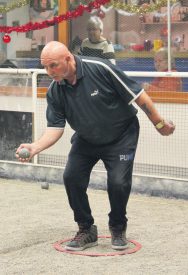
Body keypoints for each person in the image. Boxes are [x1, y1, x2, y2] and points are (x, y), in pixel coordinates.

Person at [16, 41, 175, 252]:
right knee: (71, 177)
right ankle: (86, 229)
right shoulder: (55, 90)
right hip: (86, 138)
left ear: (68, 59)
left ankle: (118, 227)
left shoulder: (99, 68)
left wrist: (159, 123)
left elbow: (137, 95)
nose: (48, 71)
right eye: (45, 67)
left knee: (118, 183)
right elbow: (55, 127)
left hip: (121, 136)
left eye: (53, 65)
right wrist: (35, 147)